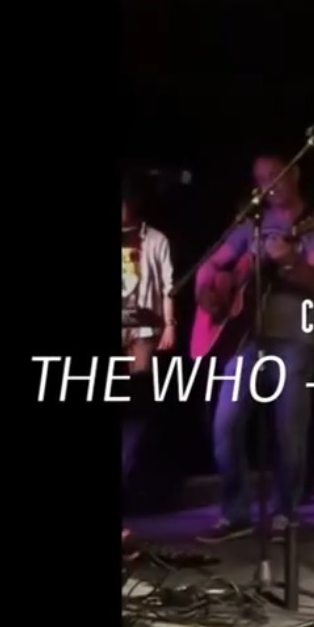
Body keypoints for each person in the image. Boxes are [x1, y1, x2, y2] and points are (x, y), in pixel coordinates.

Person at [195, 156, 314, 543]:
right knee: (224, 425)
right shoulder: (251, 223)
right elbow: (211, 264)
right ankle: (235, 513)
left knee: (289, 431)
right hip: (245, 337)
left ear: (295, 173)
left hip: (294, 337)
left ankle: (285, 514)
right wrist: (208, 291)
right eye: (260, 179)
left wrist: (291, 261)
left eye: (275, 175)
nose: (268, 185)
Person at [121, 179, 176, 485]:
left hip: (143, 327)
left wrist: (169, 325)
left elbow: (169, 287)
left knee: (138, 401)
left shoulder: (155, 239)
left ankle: (129, 472)